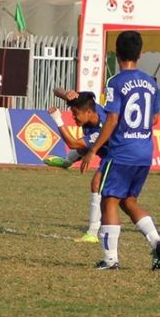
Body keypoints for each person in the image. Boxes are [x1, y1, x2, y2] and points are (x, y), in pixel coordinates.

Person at [80, 30, 160, 271]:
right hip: (145, 150)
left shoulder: (115, 82)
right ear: (140, 54)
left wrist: (93, 149)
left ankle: (110, 260)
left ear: (116, 54)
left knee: (109, 200)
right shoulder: (150, 82)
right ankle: (156, 242)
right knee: (128, 200)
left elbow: (112, 119)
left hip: (122, 151)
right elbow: (155, 118)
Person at [45, 89, 108, 243]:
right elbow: (55, 90)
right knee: (83, 148)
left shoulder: (101, 128)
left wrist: (58, 119)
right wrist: (66, 94)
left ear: (87, 112)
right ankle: (67, 161)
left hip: (115, 155)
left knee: (96, 184)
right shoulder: (90, 106)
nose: (73, 117)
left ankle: (93, 233)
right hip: (103, 150)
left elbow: (72, 143)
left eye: (75, 114)